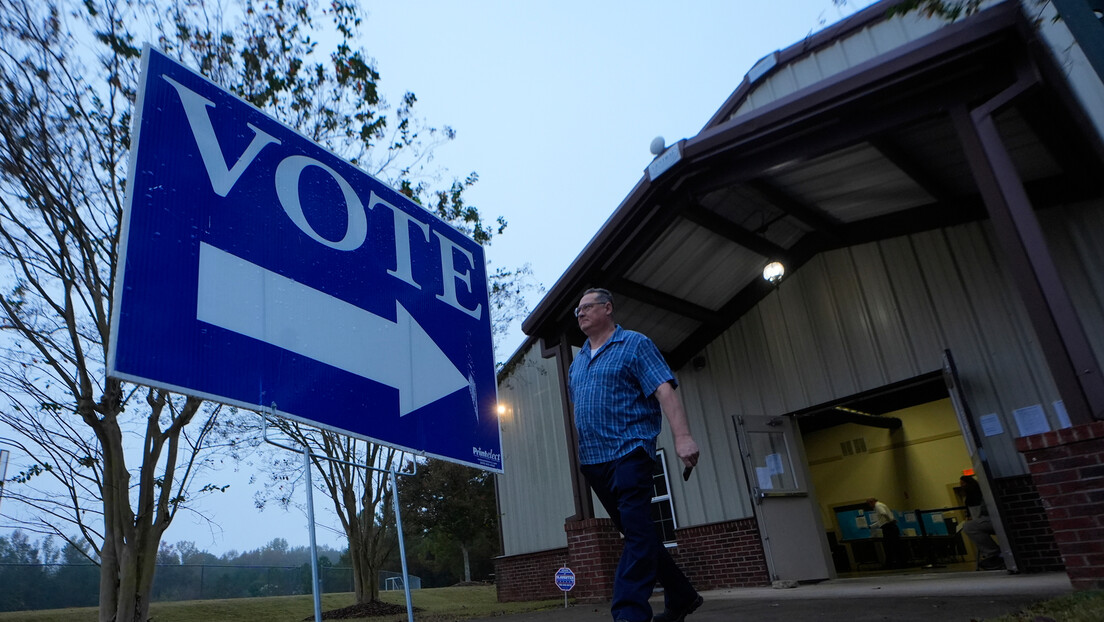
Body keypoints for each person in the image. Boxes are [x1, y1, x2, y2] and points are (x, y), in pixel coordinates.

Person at [568, 288, 703, 622]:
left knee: (638, 534)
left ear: (608, 308)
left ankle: (629, 613)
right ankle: (682, 596)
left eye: (587, 307)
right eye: (577, 310)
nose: (580, 313)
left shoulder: (635, 344)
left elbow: (663, 389)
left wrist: (682, 437)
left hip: (630, 451)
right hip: (595, 461)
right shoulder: (578, 361)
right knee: (638, 533)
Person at [960, 475, 1005, 570]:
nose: (962, 486)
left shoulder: (979, 494)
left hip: (991, 518)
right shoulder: (972, 496)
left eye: (963, 483)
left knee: (969, 527)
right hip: (986, 519)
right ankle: (994, 554)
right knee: (970, 526)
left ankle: (993, 554)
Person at [867, 497, 904, 569]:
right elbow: (881, 521)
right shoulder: (881, 505)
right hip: (890, 526)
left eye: (869, 504)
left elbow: (883, 513)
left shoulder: (878, 506)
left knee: (889, 547)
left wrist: (890, 520)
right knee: (894, 546)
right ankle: (898, 563)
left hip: (888, 528)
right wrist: (871, 526)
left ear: (872, 502)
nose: (869, 506)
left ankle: (891, 564)